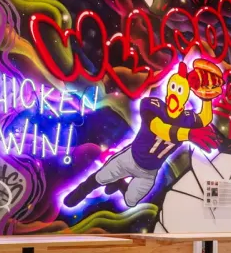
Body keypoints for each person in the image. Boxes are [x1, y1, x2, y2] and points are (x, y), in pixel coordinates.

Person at [64, 60, 222, 207]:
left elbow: (204, 118)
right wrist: (188, 134)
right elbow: (159, 128)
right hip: (130, 158)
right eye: (173, 87)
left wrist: (206, 99)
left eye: (180, 90)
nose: (175, 93)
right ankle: (80, 192)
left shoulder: (186, 118)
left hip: (149, 172)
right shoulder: (151, 105)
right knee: (100, 178)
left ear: (186, 94)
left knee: (130, 202)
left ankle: (119, 183)